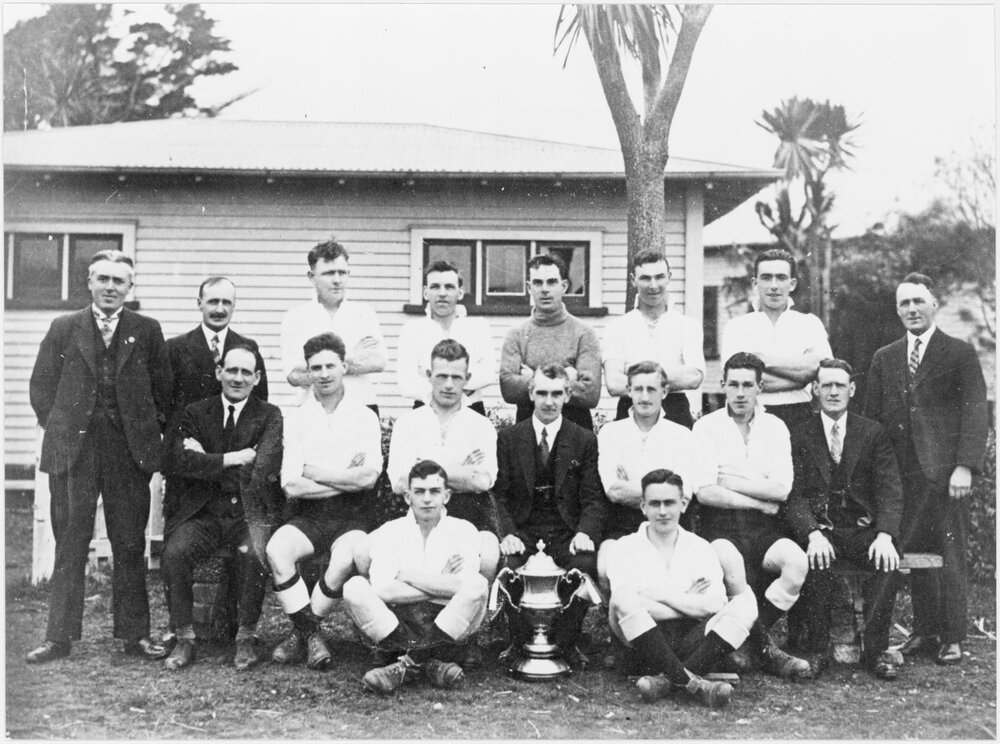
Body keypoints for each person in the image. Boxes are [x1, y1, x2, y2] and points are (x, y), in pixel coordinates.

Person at [26, 250, 172, 664]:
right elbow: (41, 388)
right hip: (74, 452)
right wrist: (63, 426)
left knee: (129, 543)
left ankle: (134, 635)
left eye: (119, 281)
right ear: (89, 282)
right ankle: (59, 637)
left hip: (127, 453)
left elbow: (163, 391)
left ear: (130, 287)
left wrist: (142, 432)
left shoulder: (146, 330)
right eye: (103, 279)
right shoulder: (63, 327)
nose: (110, 287)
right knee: (70, 542)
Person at [864, 272, 988, 666]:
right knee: (909, 555)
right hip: (899, 477)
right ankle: (924, 631)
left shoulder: (958, 353)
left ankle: (952, 636)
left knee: (949, 553)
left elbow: (975, 412)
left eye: (919, 301)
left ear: (934, 304)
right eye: (904, 303)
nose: (912, 309)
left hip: (945, 475)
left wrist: (965, 467)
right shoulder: (884, 357)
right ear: (897, 309)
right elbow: (871, 420)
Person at [160, 345, 284, 671]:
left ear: (257, 378)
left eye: (246, 372)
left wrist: (208, 460)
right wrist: (234, 457)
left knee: (255, 552)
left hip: (247, 511)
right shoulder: (196, 412)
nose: (238, 378)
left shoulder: (269, 415)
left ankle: (245, 637)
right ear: (219, 373)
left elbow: (263, 468)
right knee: (175, 551)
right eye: (232, 370)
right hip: (205, 512)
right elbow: (182, 462)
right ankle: (185, 638)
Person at [266, 332, 382, 669]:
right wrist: (345, 478)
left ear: (344, 366)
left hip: (353, 516)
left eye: (331, 365)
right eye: (316, 367)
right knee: (277, 550)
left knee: (347, 554)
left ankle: (302, 634)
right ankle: (312, 635)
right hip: (309, 515)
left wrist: (315, 471)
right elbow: (292, 486)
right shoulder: (299, 418)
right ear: (308, 371)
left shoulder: (364, 417)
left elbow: (368, 478)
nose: (324, 374)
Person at [784, 359, 904, 680]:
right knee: (816, 558)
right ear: (815, 390)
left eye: (840, 385)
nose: (833, 392)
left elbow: (890, 488)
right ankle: (818, 648)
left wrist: (885, 535)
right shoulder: (801, 434)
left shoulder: (872, 432)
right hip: (824, 530)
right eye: (826, 385)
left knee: (888, 560)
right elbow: (793, 494)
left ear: (851, 390)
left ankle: (876, 651)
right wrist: (811, 533)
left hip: (865, 530)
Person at [693, 352, 810, 679]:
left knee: (797, 563)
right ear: (723, 385)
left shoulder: (775, 427)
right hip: (720, 525)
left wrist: (729, 481)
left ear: (760, 387)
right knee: (731, 565)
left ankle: (748, 637)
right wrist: (756, 500)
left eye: (748, 385)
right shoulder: (706, 427)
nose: (740, 393)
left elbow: (782, 489)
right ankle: (769, 651)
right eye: (734, 384)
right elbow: (705, 492)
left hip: (766, 527)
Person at [606, 469, 758, 708]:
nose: (663, 511)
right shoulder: (624, 548)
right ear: (643, 506)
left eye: (670, 503)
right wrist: (688, 602)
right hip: (643, 647)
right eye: (655, 504)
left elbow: (716, 604)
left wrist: (661, 595)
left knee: (745, 605)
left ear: (684, 504)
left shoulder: (700, 547)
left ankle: (667, 682)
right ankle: (696, 686)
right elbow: (624, 603)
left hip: (693, 642)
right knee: (623, 598)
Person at [493, 364, 606, 665]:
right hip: (524, 529)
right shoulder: (509, 437)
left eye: (556, 394)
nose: (548, 401)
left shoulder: (583, 439)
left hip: (564, 531)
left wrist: (584, 532)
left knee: (583, 564)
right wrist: (508, 535)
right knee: (510, 564)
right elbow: (499, 495)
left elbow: (593, 498)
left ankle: (566, 642)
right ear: (530, 393)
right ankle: (519, 643)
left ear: (568, 395)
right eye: (541, 393)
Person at [343, 460, 488, 694]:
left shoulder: (463, 530)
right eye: (419, 492)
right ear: (408, 497)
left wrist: (408, 576)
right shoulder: (390, 531)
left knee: (478, 584)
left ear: (447, 495)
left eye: (435, 491)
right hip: (398, 624)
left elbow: (462, 586)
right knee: (354, 587)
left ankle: (407, 664)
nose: (427, 499)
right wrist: (439, 581)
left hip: (445, 624)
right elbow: (384, 591)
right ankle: (430, 663)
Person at [596, 361, 716, 597]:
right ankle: (622, 631)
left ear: (664, 392)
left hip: (667, 526)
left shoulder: (681, 435)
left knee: (670, 579)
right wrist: (661, 489)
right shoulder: (611, 433)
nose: (644, 396)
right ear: (628, 391)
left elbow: (683, 494)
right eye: (638, 389)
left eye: (651, 389)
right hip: (622, 525)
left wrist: (632, 485)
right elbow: (613, 490)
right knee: (605, 568)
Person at [387, 339, 500, 584]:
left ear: (467, 378)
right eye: (441, 376)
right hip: (416, 513)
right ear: (429, 375)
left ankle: (470, 620)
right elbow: (399, 483)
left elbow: (482, 481)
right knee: (370, 554)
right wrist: (461, 470)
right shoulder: (408, 424)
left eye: (456, 377)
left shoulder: (480, 425)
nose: (449, 385)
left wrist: (425, 466)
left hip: (468, 510)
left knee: (488, 555)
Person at [720, 248, 831, 431]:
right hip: (752, 417)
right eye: (766, 277)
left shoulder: (810, 324)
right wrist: (802, 378)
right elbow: (737, 379)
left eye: (781, 277)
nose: (774, 285)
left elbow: (821, 372)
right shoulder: (736, 327)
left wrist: (762, 361)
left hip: (801, 417)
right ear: (755, 283)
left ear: (792, 283)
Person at [280, 239, 387, 415]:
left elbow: (379, 362)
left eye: (342, 273)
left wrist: (316, 366)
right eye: (329, 273)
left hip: (361, 406)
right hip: (313, 409)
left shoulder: (364, 314)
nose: (337, 280)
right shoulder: (295, 318)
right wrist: (352, 358)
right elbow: (294, 376)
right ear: (311, 277)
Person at [602, 250, 705, 427]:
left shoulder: (688, 325)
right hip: (629, 411)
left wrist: (632, 373)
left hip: (675, 411)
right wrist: (672, 374)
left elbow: (694, 377)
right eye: (645, 278)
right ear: (633, 279)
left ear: (669, 277)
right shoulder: (617, 327)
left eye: (659, 277)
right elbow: (613, 384)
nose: (653, 285)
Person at [498, 253, 602, 430]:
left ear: (564, 286)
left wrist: (532, 378)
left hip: (575, 431)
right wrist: (567, 377)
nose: (545, 289)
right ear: (529, 288)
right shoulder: (516, 335)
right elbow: (508, 388)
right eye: (538, 283)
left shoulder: (584, 334)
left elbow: (590, 393)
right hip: (527, 430)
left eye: (552, 282)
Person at [396, 260, 495, 415]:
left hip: (471, 411)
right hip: (426, 411)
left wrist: (435, 381)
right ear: (425, 292)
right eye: (435, 286)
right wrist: (458, 386)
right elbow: (406, 384)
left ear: (460, 292)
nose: (442, 293)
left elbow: (488, 374)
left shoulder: (478, 327)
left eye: (449, 287)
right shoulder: (412, 330)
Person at [165, 276, 268, 424]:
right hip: (188, 438)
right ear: (199, 304)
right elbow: (163, 403)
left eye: (226, 302)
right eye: (213, 302)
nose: (220, 309)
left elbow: (259, 401)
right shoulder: (175, 347)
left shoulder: (249, 347)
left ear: (234, 306)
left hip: (233, 438)